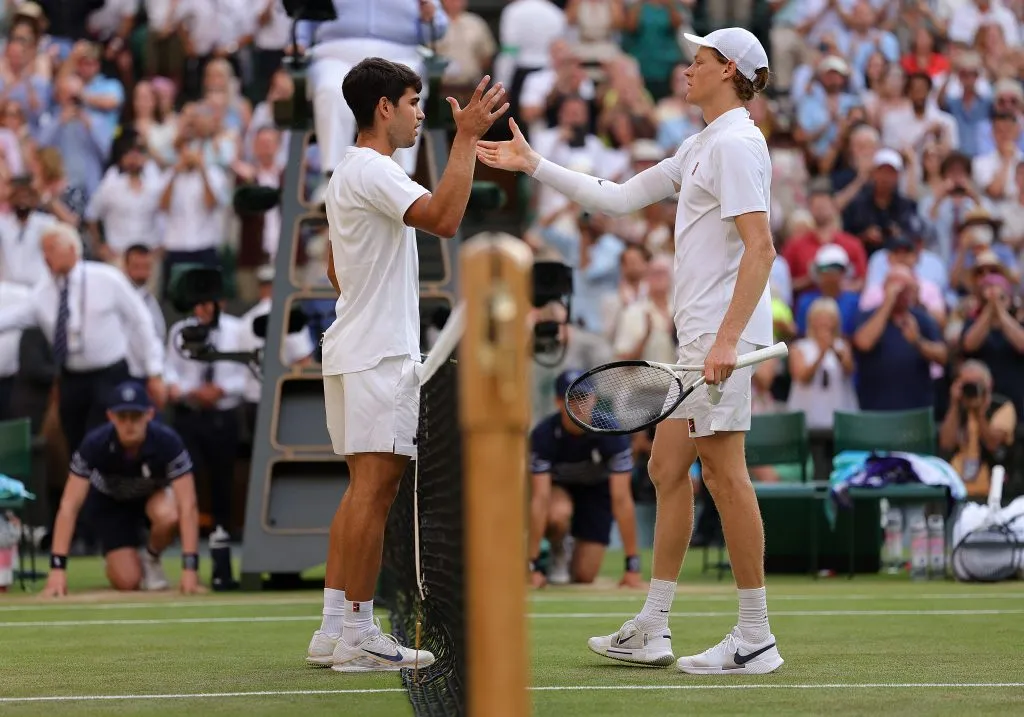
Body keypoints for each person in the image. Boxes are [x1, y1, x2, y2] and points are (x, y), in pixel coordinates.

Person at [477, 27, 783, 675]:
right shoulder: (703, 142)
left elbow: (761, 249)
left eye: (697, 61)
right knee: (667, 470)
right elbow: (617, 199)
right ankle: (653, 624)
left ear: (728, 70)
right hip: (697, 339)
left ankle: (755, 634)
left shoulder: (736, 144)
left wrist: (727, 338)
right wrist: (535, 165)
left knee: (726, 475)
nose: (685, 70)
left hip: (718, 339)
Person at [305, 58, 508, 672]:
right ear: (384, 108)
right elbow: (445, 219)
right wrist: (468, 137)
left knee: (361, 493)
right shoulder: (375, 168)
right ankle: (361, 635)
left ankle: (333, 628)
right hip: (379, 354)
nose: (422, 113)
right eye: (415, 102)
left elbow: (337, 270)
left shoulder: (348, 171)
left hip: (353, 349)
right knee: (375, 494)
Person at [41, 381, 200, 597]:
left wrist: (190, 568)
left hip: (152, 498)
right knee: (127, 581)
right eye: (122, 417)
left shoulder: (168, 442)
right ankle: (123, 559)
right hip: (110, 503)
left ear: (150, 415)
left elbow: (188, 505)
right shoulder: (94, 444)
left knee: (170, 514)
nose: (129, 424)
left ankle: (152, 558)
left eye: (135, 416)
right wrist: (57, 569)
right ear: (110, 417)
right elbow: (69, 506)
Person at [529, 370, 640, 588]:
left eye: (583, 398)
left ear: (593, 399)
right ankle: (555, 551)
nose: (578, 406)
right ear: (558, 402)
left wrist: (632, 565)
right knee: (558, 514)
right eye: (571, 399)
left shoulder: (612, 433)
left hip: (596, 492)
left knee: (585, 575)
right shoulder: (543, 436)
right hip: (558, 489)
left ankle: (572, 552)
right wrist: (530, 566)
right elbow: (540, 498)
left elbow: (622, 499)